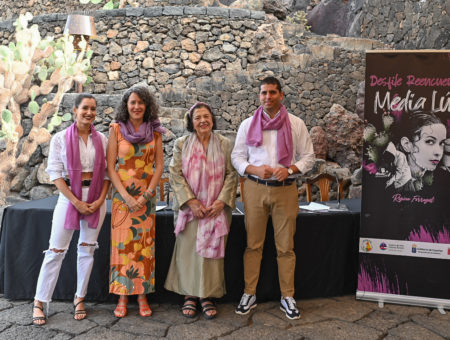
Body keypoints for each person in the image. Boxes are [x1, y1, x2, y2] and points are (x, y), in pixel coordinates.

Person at [231, 76, 314, 320]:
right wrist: (254, 169)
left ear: (281, 95)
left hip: (285, 189)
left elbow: (308, 157)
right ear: (259, 96)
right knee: (253, 245)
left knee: (286, 247)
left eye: (272, 93)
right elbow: (237, 157)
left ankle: (287, 296)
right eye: (264, 93)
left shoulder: (296, 124)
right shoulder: (247, 125)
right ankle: (249, 293)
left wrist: (288, 170)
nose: (268, 97)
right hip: (255, 188)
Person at [32, 93, 110, 325]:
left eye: (93, 109)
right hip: (69, 199)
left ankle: (80, 298)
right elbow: (55, 174)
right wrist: (76, 201)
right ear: (75, 110)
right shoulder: (60, 139)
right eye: (85, 108)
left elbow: (107, 173)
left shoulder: (103, 139)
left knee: (87, 250)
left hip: (96, 199)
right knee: (56, 251)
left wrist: (100, 201)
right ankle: (39, 301)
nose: (89, 113)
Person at [164, 102, 237, 319]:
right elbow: (175, 173)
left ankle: (207, 295)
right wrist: (191, 202)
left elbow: (232, 175)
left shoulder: (225, 144)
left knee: (211, 255)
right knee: (188, 253)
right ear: (191, 122)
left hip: (215, 209)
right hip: (191, 210)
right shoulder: (181, 143)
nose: (202, 120)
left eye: (206, 116)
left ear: (212, 119)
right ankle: (189, 295)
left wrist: (222, 202)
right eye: (197, 117)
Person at [107, 86, 164, 318]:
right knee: (122, 248)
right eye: (133, 102)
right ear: (126, 105)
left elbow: (159, 165)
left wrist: (146, 195)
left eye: (141, 102)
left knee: (143, 248)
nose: (137, 106)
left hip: (146, 199)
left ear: (147, 105)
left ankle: (142, 295)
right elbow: (111, 167)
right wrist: (127, 197)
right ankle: (122, 295)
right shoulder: (116, 129)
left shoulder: (156, 131)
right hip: (123, 200)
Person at [390, 111, 447, 192]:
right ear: (407, 144)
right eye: (430, 141)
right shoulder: (391, 178)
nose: (438, 152)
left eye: (442, 143)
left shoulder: (442, 180)